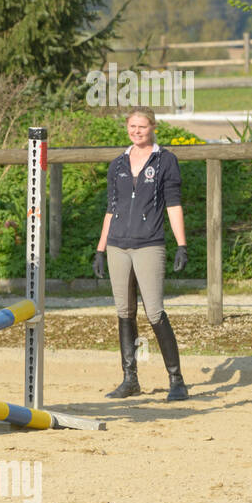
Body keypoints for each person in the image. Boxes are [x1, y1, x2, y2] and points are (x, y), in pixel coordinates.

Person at [93, 108, 189, 401]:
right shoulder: (118, 164)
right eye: (132, 126)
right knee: (124, 312)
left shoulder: (166, 161)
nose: (137, 131)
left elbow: (173, 205)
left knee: (155, 312)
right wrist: (100, 248)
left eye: (142, 126)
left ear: (153, 127)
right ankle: (129, 379)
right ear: (127, 128)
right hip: (117, 245)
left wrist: (181, 244)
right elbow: (112, 209)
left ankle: (176, 381)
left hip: (149, 244)